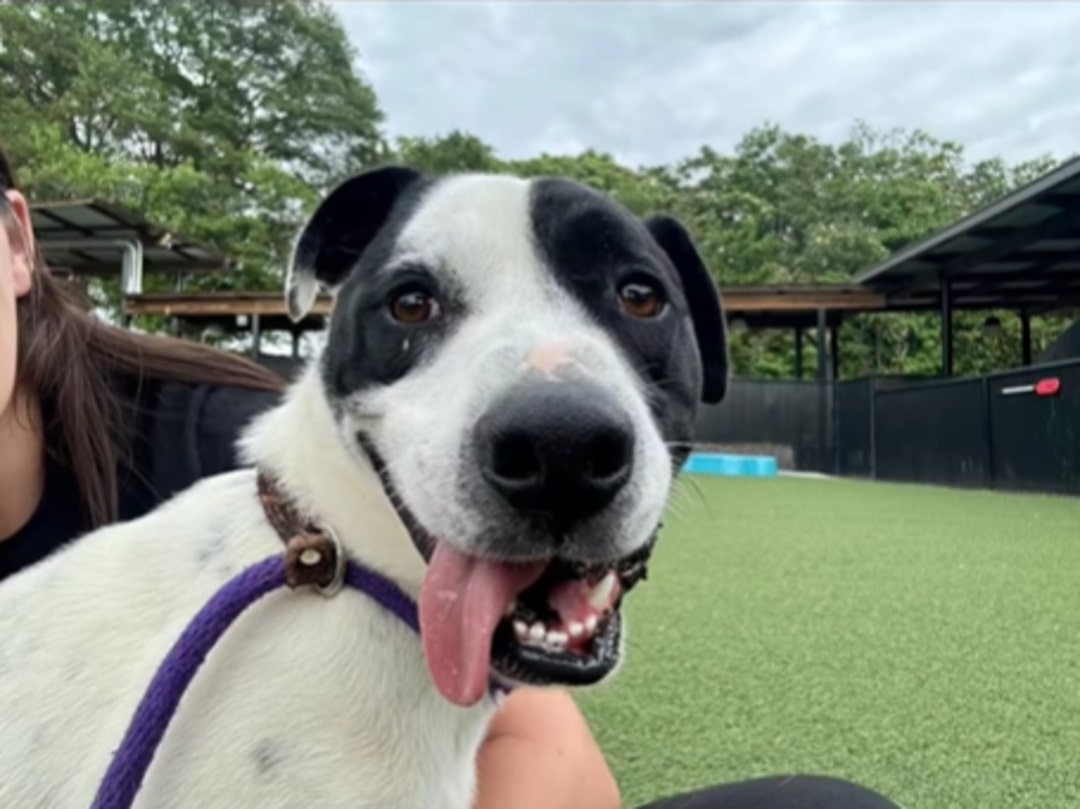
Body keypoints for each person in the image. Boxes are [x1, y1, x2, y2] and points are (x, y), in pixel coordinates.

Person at [0, 144, 899, 809]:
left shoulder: (199, 432)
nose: (553, 413)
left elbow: (552, 762)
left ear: (17, 244)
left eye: (634, 298)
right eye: (417, 302)